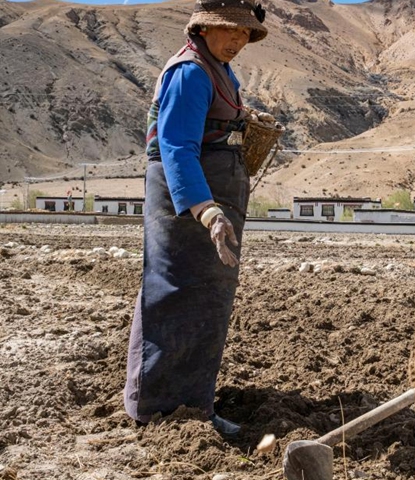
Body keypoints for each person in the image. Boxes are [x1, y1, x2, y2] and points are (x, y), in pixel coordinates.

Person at [124, 0, 270, 437]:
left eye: (245, 34)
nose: (238, 40)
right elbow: (175, 148)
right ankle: (169, 411)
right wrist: (206, 210)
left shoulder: (217, 70)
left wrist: (244, 120)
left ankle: (179, 402)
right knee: (178, 293)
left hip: (205, 202)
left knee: (195, 297)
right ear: (204, 28)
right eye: (231, 30)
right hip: (189, 204)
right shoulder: (189, 72)